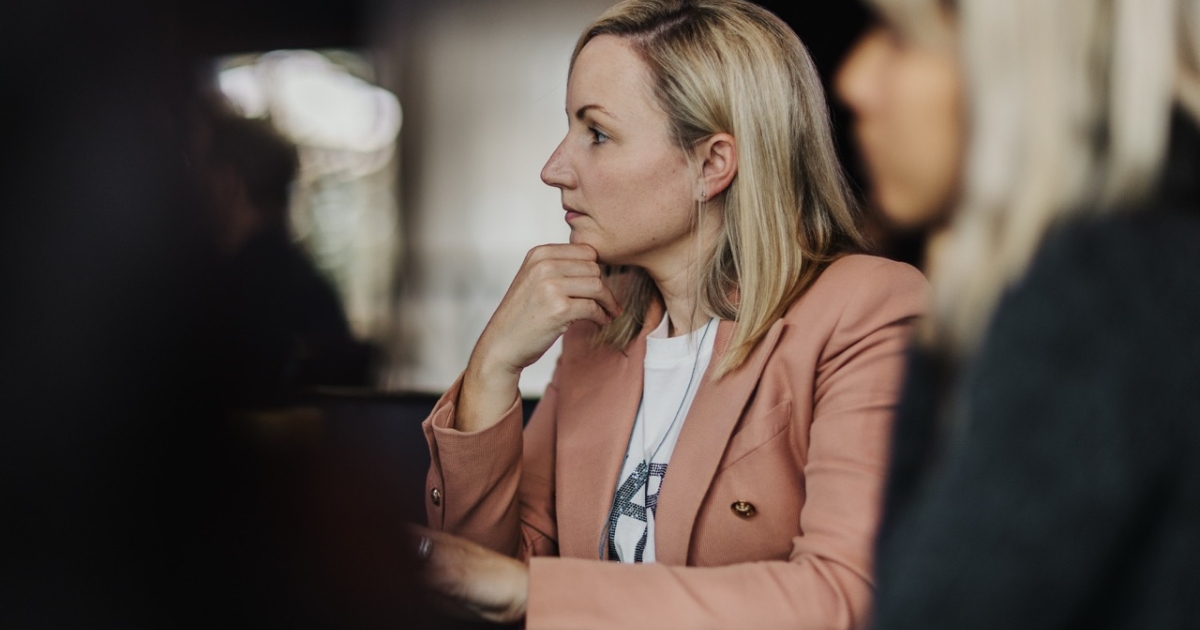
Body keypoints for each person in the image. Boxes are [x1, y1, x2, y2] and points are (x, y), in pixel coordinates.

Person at [411, 1, 928, 627]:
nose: (553, 169)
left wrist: (535, 594)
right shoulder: (598, 326)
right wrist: (494, 365)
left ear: (712, 164)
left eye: (596, 133)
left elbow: (844, 598)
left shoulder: (867, 311)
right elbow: (477, 580)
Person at [835, 0, 1200, 628]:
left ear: (1015, 60)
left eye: (900, 38)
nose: (855, 81)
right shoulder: (1151, 261)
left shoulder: (1099, 291)